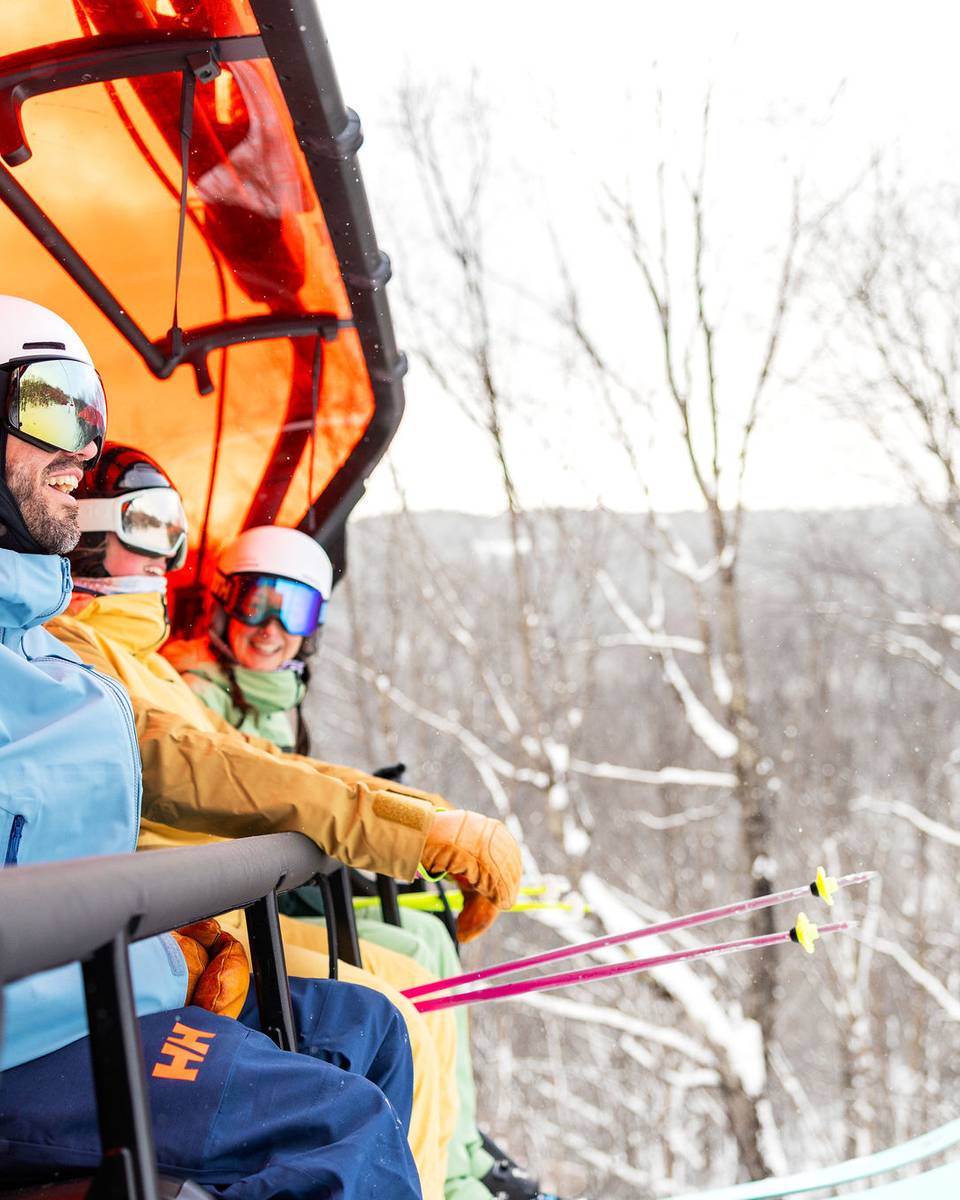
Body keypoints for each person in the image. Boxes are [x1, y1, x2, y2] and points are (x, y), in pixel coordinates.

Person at [0, 295, 424, 1200]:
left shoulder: (51, 659)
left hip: (119, 981)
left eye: (92, 416)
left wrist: (180, 935)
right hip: (38, 1033)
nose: (80, 446)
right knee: (336, 1129)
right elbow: (185, 766)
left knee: (366, 1027)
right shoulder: (82, 654)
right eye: (51, 403)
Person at [48, 442, 524, 1196]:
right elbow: (202, 766)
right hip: (182, 927)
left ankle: (452, 1173)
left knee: (396, 996)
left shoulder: (145, 661)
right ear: (92, 531)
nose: (166, 547)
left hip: (215, 915)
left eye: (174, 528)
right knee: (390, 1001)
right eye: (147, 522)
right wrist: (411, 830)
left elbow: (245, 760)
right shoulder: (77, 651)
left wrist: (424, 819)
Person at [166, 525, 563, 1200]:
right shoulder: (197, 694)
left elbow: (303, 781)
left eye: (293, 611)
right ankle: (433, 1178)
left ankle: (459, 1152)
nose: (270, 628)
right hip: (223, 914)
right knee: (398, 986)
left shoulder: (273, 705)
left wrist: (414, 818)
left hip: (262, 897)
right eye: (258, 602)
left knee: (429, 942)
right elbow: (263, 791)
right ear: (226, 602)